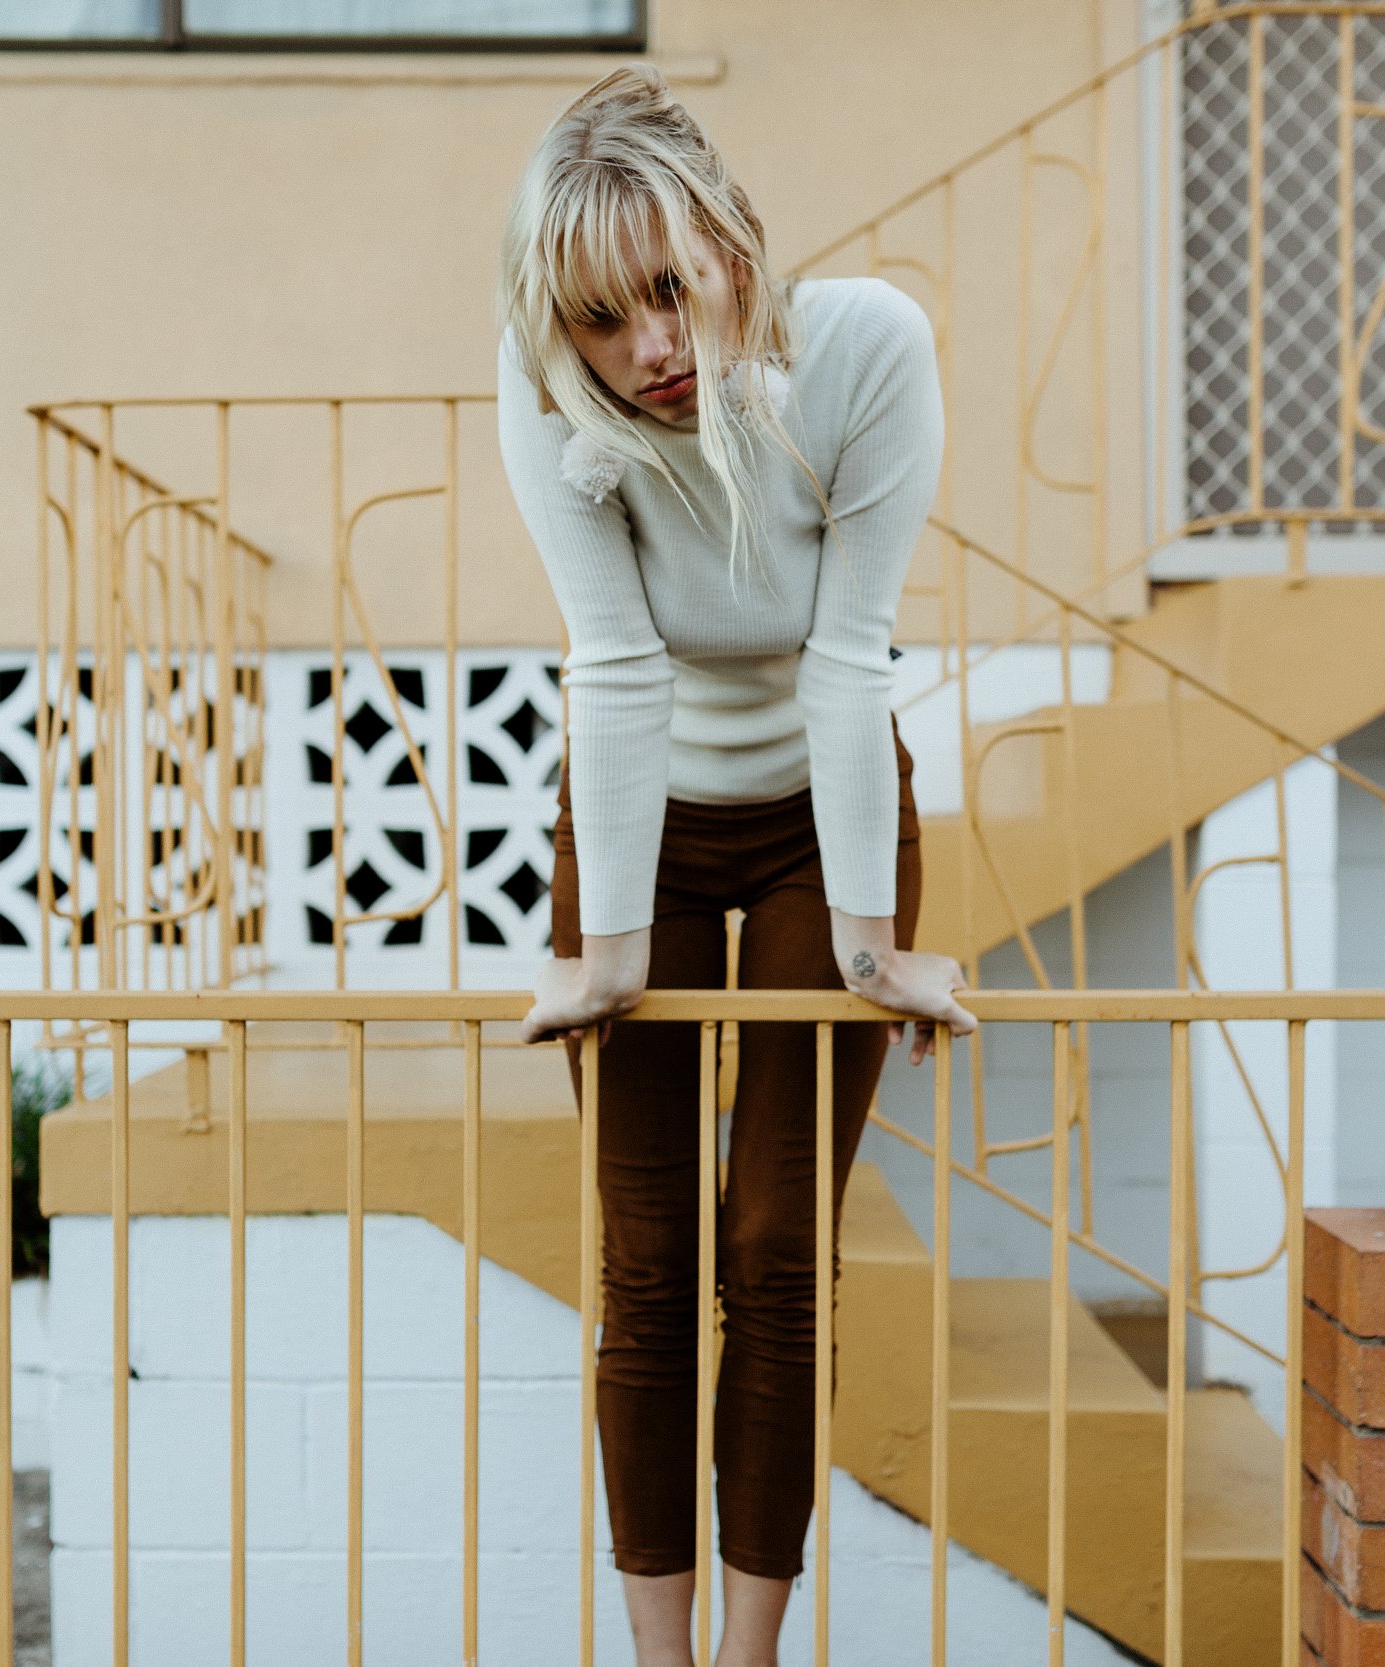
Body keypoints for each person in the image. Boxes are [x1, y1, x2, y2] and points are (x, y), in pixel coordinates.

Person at [497, 64, 976, 1667]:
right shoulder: (542, 380)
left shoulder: (866, 351)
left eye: (668, 292)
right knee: (647, 1260)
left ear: (732, 247)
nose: (647, 348)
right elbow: (614, 666)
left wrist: (870, 951)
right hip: (639, 821)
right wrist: (614, 959)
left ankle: (749, 1659)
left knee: (773, 1247)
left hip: (817, 829)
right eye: (601, 321)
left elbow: (851, 658)